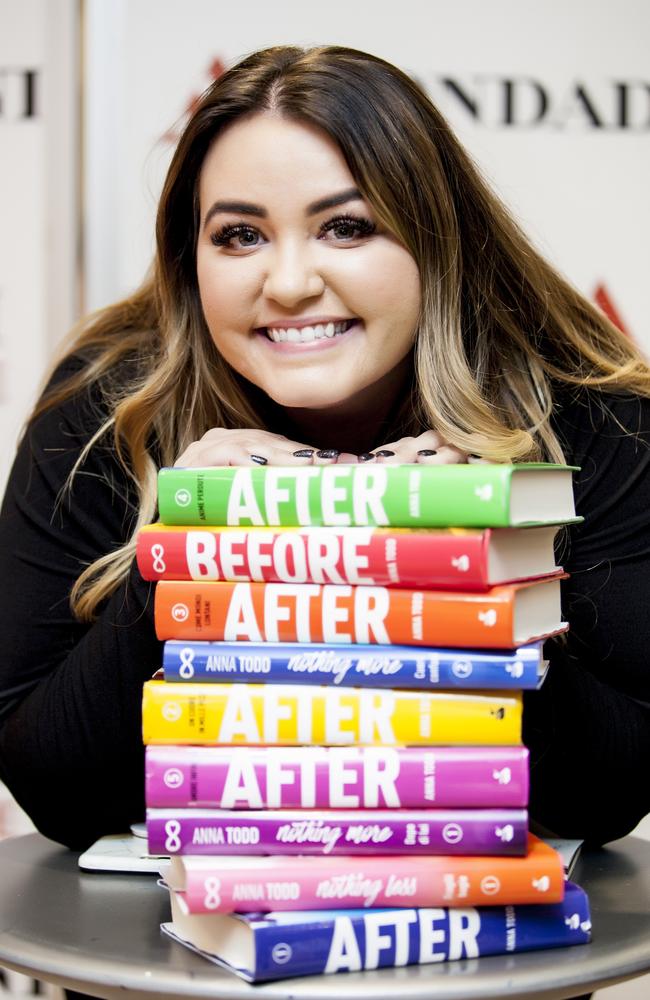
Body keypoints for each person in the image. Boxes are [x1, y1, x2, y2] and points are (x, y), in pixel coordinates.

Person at [0, 44, 648, 853]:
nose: (289, 282)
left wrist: (469, 593)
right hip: (169, 960)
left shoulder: (590, 411)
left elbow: (614, 794)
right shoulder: (108, 405)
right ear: (187, 257)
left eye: (346, 227)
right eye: (239, 235)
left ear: (438, 237)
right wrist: (182, 558)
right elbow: (52, 791)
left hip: (485, 954)